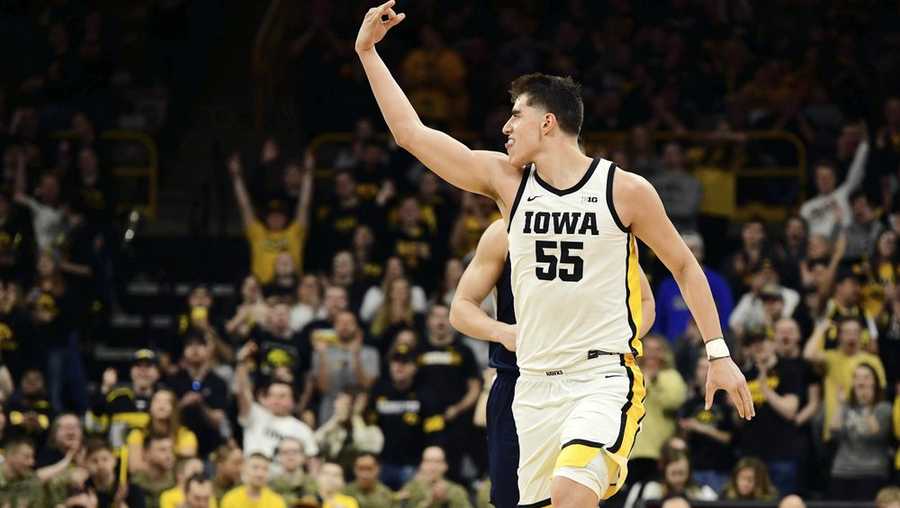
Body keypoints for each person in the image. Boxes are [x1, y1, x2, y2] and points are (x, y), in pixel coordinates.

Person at [356, 4, 753, 507]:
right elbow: (411, 135)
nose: (505, 127)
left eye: (515, 116)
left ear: (547, 123)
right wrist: (367, 53)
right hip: (534, 387)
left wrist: (718, 353)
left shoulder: (624, 189)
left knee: (570, 495)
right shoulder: (506, 184)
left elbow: (684, 266)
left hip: (601, 378)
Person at [450, 219, 655, 508]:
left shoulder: (601, 222)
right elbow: (460, 307)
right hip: (518, 381)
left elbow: (644, 301)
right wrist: (503, 332)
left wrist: (614, 341)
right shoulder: (503, 232)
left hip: (588, 379)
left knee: (575, 487)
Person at [228, 151, 313, 284]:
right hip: (263, 290)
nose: (275, 218)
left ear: (285, 218)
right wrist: (236, 177)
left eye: (279, 215)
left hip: (292, 288)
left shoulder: (294, 233)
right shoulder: (258, 233)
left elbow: (304, 204)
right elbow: (244, 206)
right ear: (266, 218)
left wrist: (308, 173)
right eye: (272, 216)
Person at [235, 342, 319, 458]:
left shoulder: (302, 429)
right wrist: (241, 363)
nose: (276, 400)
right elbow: (242, 392)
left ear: (293, 401)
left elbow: (311, 460)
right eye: (272, 395)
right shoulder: (255, 414)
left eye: (282, 396)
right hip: (255, 470)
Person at [829, 364, 892, 500]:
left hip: (871, 472)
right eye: (856, 377)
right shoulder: (846, 406)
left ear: (875, 381)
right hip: (842, 470)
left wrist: (867, 405)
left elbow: (877, 434)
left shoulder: (884, 407)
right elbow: (834, 433)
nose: (861, 381)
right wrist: (840, 406)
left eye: (866, 377)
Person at [84, 438, 147, 508]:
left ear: (114, 460)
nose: (100, 465)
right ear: (86, 463)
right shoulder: (82, 491)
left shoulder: (132, 491)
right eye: (94, 461)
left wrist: (119, 504)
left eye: (105, 459)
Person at [401, 447, 471, 508]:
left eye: (437, 462)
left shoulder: (456, 492)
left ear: (445, 465)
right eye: (428, 461)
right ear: (422, 465)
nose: (432, 467)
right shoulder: (411, 489)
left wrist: (446, 501)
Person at [221, 453, 286, 508]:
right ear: (244, 469)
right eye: (255, 468)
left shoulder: (276, 501)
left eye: (265, 469)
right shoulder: (231, 499)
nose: (260, 474)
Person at [269, 437, 317, 507]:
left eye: (295, 451)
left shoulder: (314, 485)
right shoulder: (270, 485)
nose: (290, 455)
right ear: (278, 457)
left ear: (303, 456)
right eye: (285, 452)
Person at [131, 434, 177, 508]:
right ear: (146, 453)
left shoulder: (177, 481)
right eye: (162, 450)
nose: (169, 455)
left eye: (171, 450)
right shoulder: (133, 485)